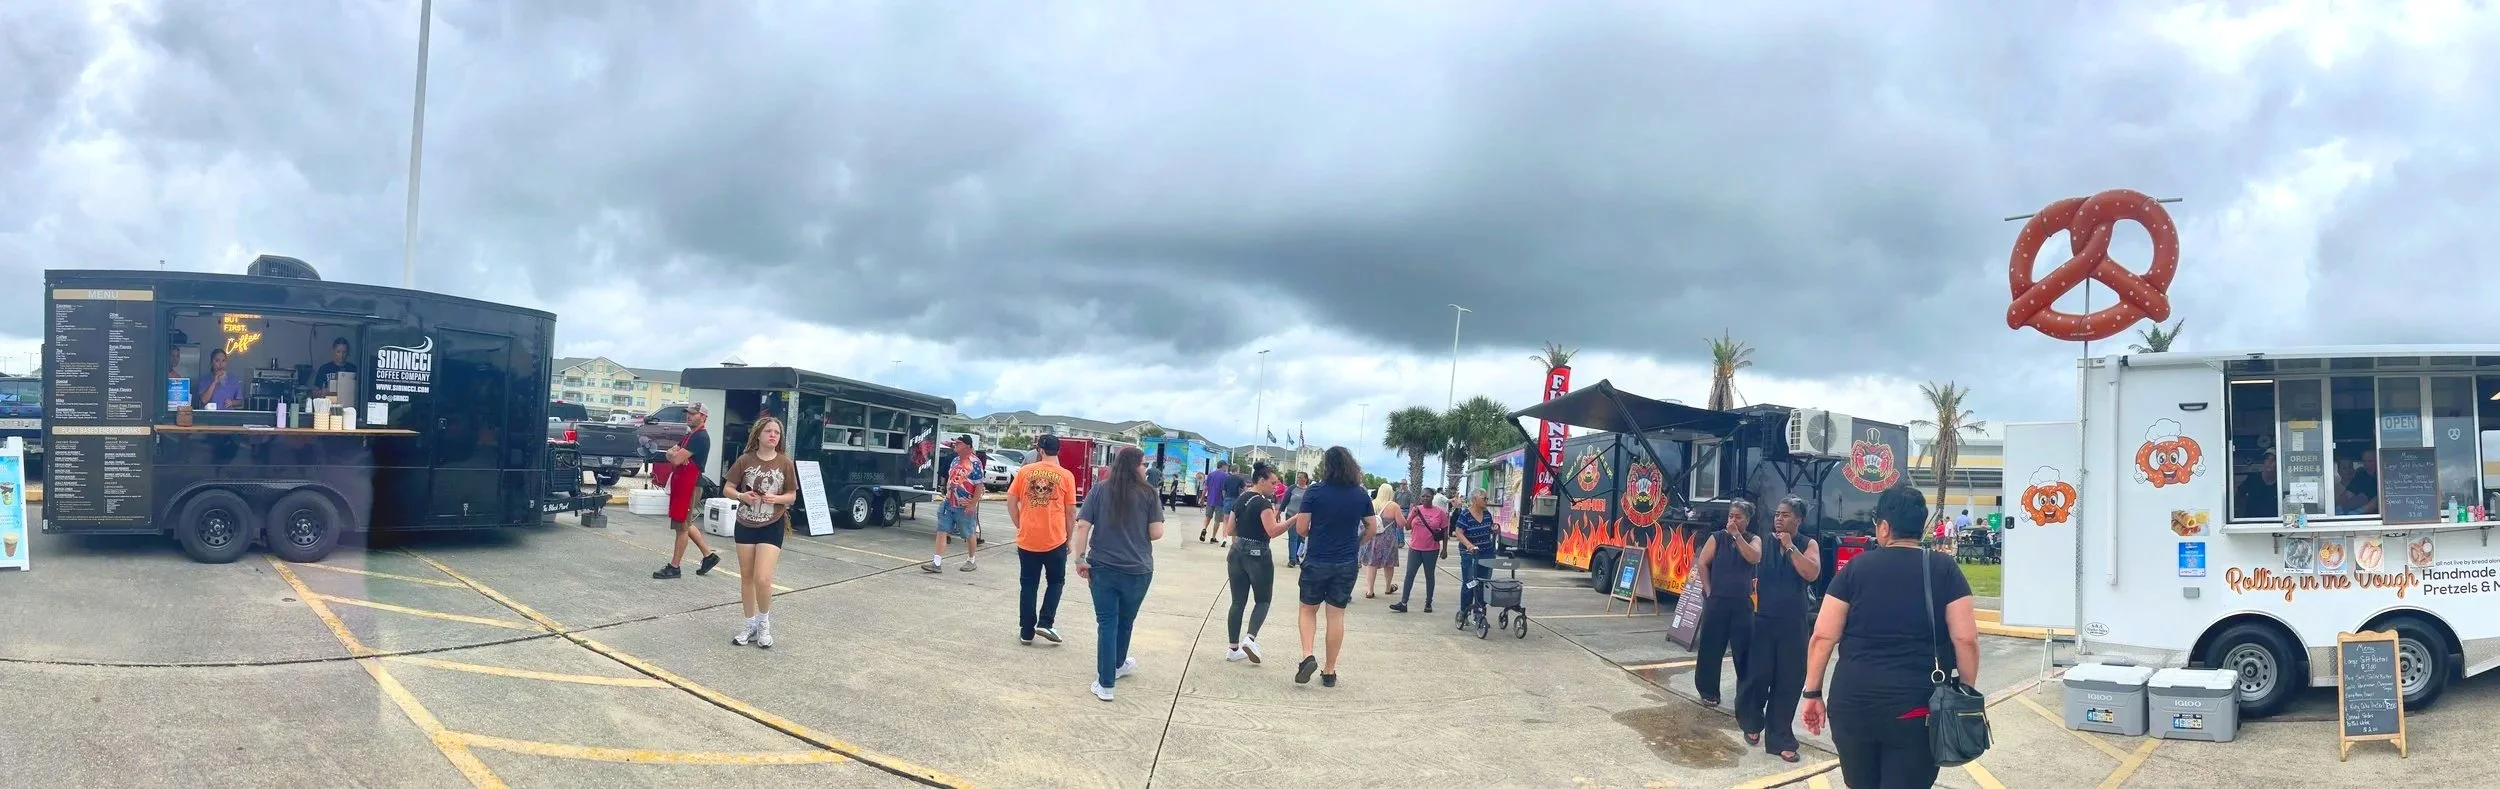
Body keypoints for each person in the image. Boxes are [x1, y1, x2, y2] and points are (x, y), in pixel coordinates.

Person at [1801, 484, 1980, 789]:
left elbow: (1822, 637)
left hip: (1853, 705)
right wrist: (1965, 692)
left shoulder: (1855, 568)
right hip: (1916, 709)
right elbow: (1966, 639)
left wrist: (1812, 693)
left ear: (1884, 527)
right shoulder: (1943, 569)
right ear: (1921, 526)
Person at [1073, 446, 1163, 701]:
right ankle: (1117, 664)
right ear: (1135, 466)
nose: (1145, 468)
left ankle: (1106, 683)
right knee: (1125, 620)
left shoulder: (1099, 490)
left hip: (1102, 567)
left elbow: (1082, 526)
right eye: (1143, 464)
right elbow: (1156, 533)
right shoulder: (1149, 493)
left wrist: (1080, 558)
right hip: (1138, 569)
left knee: (1107, 623)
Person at [1737, 496, 1821, 763]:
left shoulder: (1807, 544)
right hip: (1762, 620)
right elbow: (1750, 555)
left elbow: (1812, 573)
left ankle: (1780, 739)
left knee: (1789, 681)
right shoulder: (1764, 541)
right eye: (1777, 514)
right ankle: (1752, 721)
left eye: (1785, 515)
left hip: (1793, 623)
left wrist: (1790, 547)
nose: (1779, 519)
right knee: (1756, 676)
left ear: (1799, 520)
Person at [1290, 446, 1376, 687]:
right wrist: (1357, 542)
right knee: (1336, 615)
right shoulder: (1360, 494)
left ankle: (1308, 655)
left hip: (1317, 559)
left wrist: (1316, 534)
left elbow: (1301, 528)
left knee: (1308, 609)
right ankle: (1329, 671)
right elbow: (1372, 527)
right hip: (1346, 562)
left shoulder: (1315, 492)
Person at [723, 417, 799, 648]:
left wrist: (777, 498)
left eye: (777, 432)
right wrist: (741, 496)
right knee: (746, 577)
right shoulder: (745, 460)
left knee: (763, 578)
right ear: (758, 434)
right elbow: (727, 488)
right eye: (768, 431)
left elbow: (792, 495)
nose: (773, 435)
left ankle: (764, 623)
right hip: (745, 523)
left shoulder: (785, 463)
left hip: (772, 524)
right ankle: (750, 625)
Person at [1009, 435, 1078, 646]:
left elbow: (1011, 501)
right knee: (1056, 581)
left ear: (1039, 450)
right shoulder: (1066, 476)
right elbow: (1070, 512)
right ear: (1058, 450)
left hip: (1028, 538)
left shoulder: (1025, 472)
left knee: (1028, 584)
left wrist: (1020, 524)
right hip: (1054, 538)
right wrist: (1069, 538)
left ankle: (1026, 631)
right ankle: (1046, 622)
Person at [1691, 500, 1760, 707]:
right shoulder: (1717, 538)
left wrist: (1737, 536)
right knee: (1711, 647)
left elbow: (1754, 557)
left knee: (1745, 650)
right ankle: (1708, 691)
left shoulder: (1753, 539)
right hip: (1717, 601)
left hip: (1742, 603)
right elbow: (1703, 562)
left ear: (1747, 520)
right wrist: (1709, 590)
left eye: (1738, 517)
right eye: (1731, 516)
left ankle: (1746, 694)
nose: (1733, 520)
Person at [1222, 462, 1287, 664]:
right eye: (1273, 483)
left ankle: (1233, 648)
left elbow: (1230, 530)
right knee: (1263, 600)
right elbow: (1272, 531)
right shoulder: (1263, 504)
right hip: (1258, 554)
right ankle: (1250, 638)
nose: (1275, 487)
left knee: (1237, 601)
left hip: (1237, 552)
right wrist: (1293, 520)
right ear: (1261, 480)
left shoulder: (1240, 499)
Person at [652, 404, 722, 579]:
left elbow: (675, 459)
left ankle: (674, 567)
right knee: (684, 523)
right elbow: (670, 454)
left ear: (703, 417)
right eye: (688, 413)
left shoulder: (700, 437)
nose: (689, 416)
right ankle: (708, 556)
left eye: (693, 414)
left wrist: (676, 456)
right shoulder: (689, 435)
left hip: (690, 485)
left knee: (682, 527)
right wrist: (675, 455)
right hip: (682, 483)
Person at [925, 436, 986, 572]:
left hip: (964, 505)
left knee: (968, 533)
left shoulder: (975, 463)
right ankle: (936, 563)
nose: (955, 445)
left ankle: (971, 560)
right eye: (955, 443)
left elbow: (979, 485)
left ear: (968, 446)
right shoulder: (954, 460)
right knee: (942, 529)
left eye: (959, 443)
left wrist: (972, 504)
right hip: (948, 502)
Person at [1391, 488, 1448, 613]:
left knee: (1429, 576)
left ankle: (1428, 602)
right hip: (1415, 549)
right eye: (1423, 496)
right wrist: (1413, 515)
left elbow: (1445, 531)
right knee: (1409, 575)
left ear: (1432, 497)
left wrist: (1445, 549)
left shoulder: (1440, 512)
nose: (1425, 498)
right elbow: (1407, 527)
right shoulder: (1416, 510)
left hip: (1431, 549)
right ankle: (1403, 602)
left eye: (1428, 496)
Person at [1451, 489, 1498, 629]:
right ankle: (1464, 612)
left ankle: (1479, 614)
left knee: (1483, 583)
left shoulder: (1487, 514)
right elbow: (1458, 532)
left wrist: (1493, 529)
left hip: (1486, 552)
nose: (1486, 501)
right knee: (1470, 583)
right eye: (1484, 498)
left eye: (1486, 498)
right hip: (1469, 554)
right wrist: (1469, 545)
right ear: (1474, 500)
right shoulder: (1466, 514)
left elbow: (1489, 528)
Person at [1357, 483, 1404, 599]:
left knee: (1371, 564)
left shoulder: (1372, 504)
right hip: (1388, 539)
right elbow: (1401, 524)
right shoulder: (1394, 506)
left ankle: (1370, 590)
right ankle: (1388, 587)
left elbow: (1364, 520)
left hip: (1372, 537)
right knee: (1389, 563)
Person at [1281, 471, 1311, 568]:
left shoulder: (1309, 490)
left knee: (1300, 538)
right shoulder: (1292, 488)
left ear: (1305, 479)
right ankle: (1292, 559)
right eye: (1298, 477)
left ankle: (1296, 557)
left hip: (1303, 517)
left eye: (1301, 477)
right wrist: (1279, 512)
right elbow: (1285, 500)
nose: (1299, 479)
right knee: (1293, 537)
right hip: (1291, 515)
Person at [1201, 464, 1232, 543]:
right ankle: (1213, 537)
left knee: (1208, 516)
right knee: (1217, 520)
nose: (1227, 468)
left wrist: (1202, 499)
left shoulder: (1210, 475)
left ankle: (1204, 529)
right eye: (1226, 466)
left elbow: (1205, 488)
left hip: (1210, 500)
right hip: (1220, 501)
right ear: (1223, 466)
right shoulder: (1226, 476)